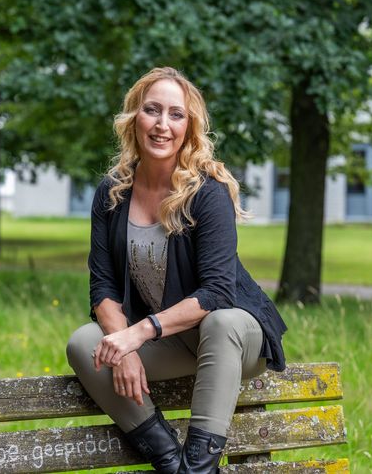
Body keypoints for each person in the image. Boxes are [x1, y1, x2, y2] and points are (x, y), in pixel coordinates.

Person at [66, 67, 288, 474]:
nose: (162, 125)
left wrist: (138, 332)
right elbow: (103, 287)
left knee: (221, 323)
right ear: (134, 117)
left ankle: (199, 467)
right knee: (86, 344)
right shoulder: (113, 192)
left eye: (176, 114)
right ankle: (172, 463)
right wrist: (124, 349)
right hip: (172, 341)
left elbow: (217, 292)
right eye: (152, 111)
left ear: (189, 127)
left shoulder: (207, 190)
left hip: (236, 338)